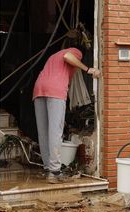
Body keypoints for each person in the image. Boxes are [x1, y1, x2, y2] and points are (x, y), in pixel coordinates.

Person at [33, 45, 100, 183]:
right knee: (55, 132)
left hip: (39, 89)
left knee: (43, 132)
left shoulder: (54, 55)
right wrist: (88, 69)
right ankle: (55, 172)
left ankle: (48, 169)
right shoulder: (75, 52)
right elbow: (68, 57)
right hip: (55, 91)